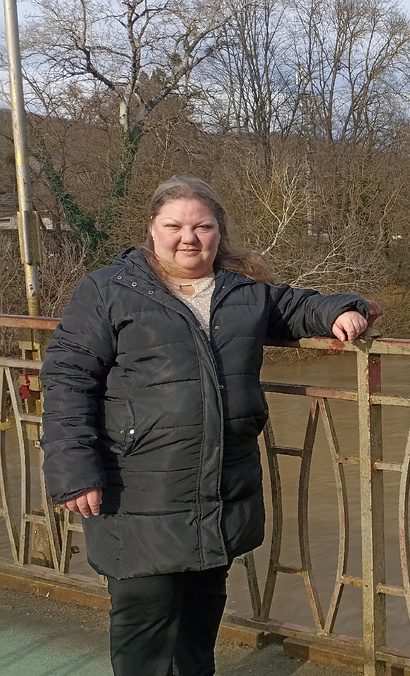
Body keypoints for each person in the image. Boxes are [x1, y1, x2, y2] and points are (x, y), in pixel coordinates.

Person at [39, 176, 380, 676]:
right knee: (145, 631)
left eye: (203, 226)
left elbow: (297, 306)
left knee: (199, 630)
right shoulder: (107, 290)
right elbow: (68, 377)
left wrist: (343, 310)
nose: (188, 238)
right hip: (136, 489)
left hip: (219, 486)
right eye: (174, 225)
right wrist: (73, 467)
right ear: (151, 230)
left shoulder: (244, 294)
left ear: (220, 233)